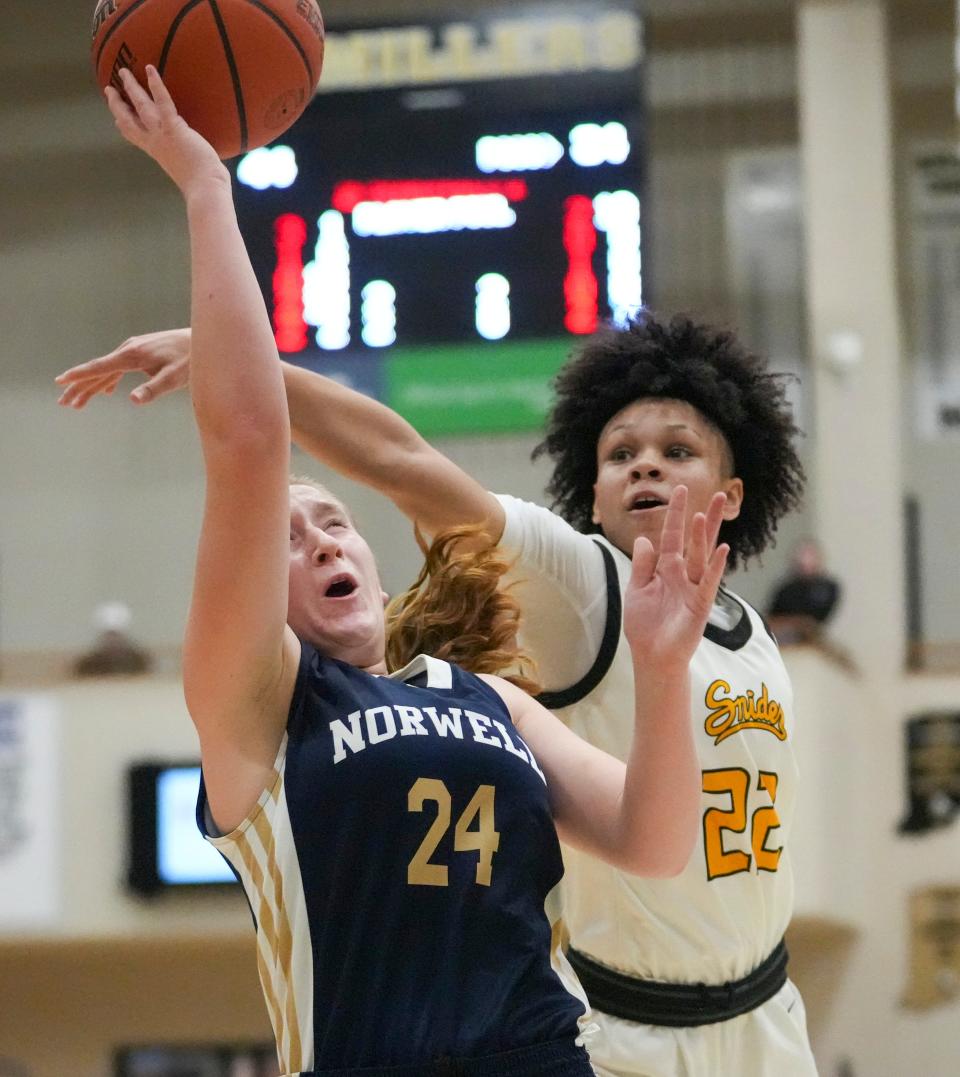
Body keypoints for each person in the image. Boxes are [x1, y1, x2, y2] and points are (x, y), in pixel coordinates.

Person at [66, 67, 731, 1075]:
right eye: (288, 541)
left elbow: (655, 842)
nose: (323, 540)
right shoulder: (262, 706)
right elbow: (251, 439)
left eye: (334, 522)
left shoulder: (492, 701)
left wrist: (664, 668)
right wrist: (207, 189)